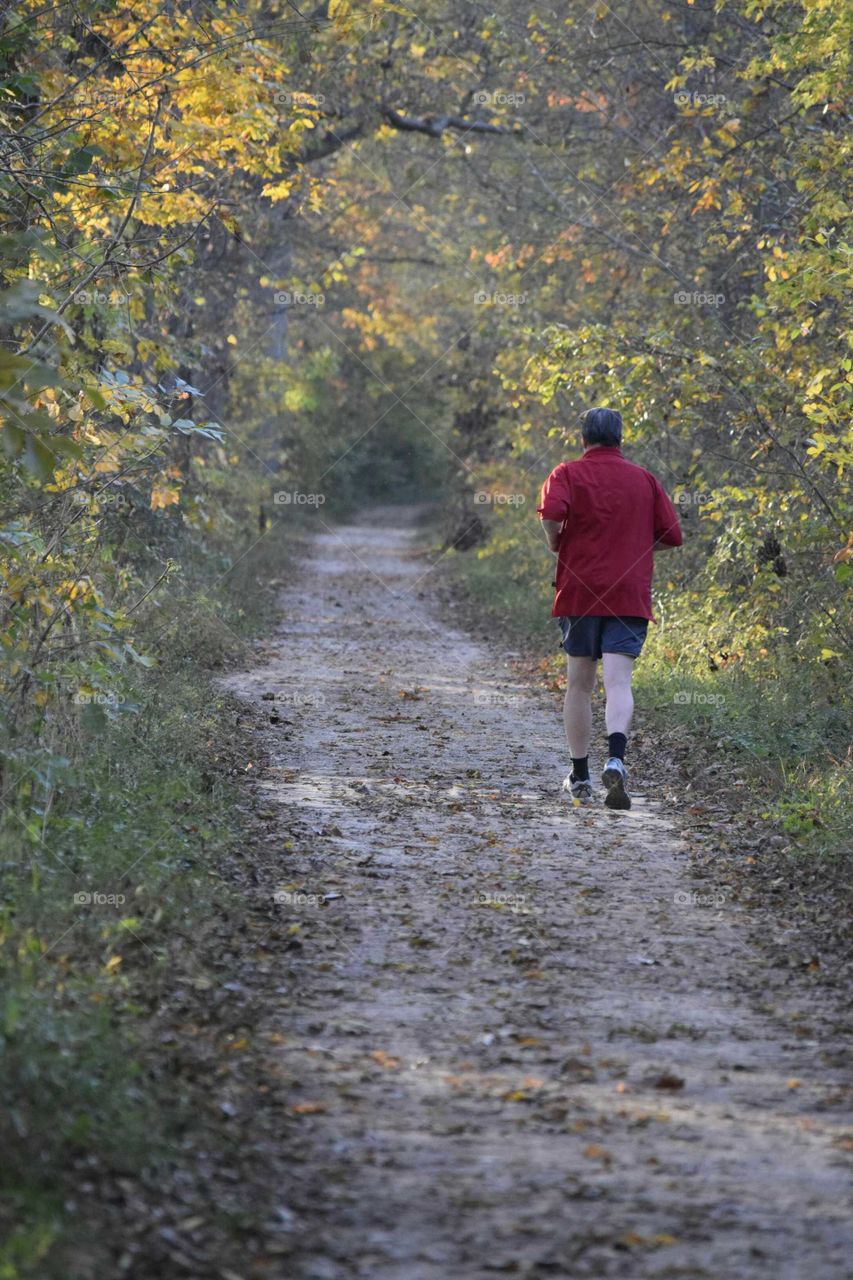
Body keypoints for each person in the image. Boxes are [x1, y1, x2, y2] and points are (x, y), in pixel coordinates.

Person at [537, 408, 682, 809]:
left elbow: (551, 516)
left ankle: (580, 775)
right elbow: (673, 536)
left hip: (579, 591)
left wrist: (556, 543)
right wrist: (635, 548)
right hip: (628, 594)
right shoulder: (645, 480)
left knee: (579, 684)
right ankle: (616, 758)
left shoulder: (565, 473)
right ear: (621, 439)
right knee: (619, 683)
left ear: (583, 438)